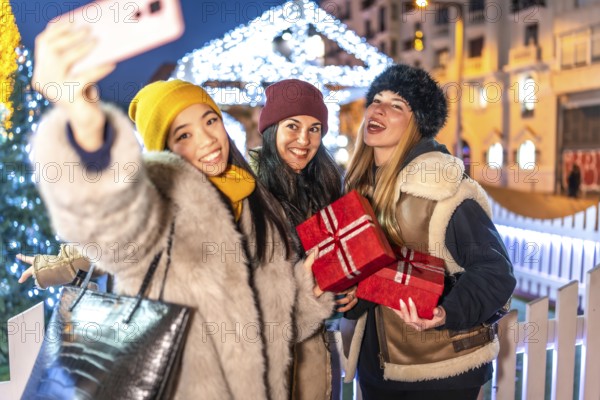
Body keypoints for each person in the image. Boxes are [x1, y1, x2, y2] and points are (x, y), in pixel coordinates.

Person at [25, 21, 334, 399]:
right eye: (183, 134)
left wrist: (307, 294)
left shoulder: (253, 198)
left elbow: (271, 325)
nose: (208, 141)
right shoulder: (160, 206)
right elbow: (106, 214)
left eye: (210, 121)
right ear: (164, 149)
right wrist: (84, 119)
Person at [342, 64, 516, 399]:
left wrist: (445, 310)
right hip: (378, 370)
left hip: (441, 375)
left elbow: (496, 273)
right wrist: (350, 296)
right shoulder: (359, 189)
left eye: (396, 105)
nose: (378, 108)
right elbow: (373, 276)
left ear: (417, 123)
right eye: (376, 100)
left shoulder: (444, 188)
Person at [251, 79, 357, 400]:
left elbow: (337, 260)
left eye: (314, 129)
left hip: (316, 352)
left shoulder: (325, 183)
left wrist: (349, 288)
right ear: (272, 130)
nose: (304, 140)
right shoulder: (246, 190)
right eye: (293, 126)